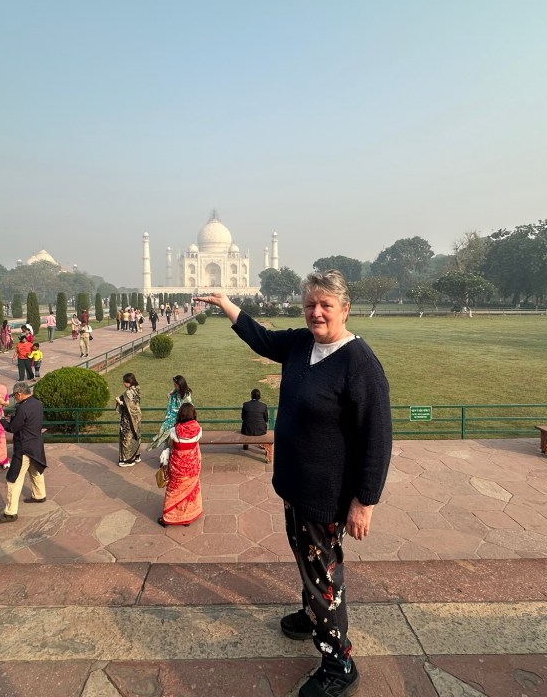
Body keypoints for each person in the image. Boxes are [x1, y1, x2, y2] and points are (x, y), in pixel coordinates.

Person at [195, 270, 392, 697]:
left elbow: (377, 438)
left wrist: (365, 502)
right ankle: (312, 616)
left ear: (345, 309)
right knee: (309, 564)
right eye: (310, 305)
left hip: (326, 495)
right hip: (296, 485)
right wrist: (226, 304)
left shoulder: (359, 363)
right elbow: (263, 339)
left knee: (324, 576)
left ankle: (339, 662)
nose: (316, 313)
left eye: (325, 305)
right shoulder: (303, 344)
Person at [0, 381, 47, 523]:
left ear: (19, 394)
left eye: (15, 396)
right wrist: (14, 418)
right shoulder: (37, 403)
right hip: (36, 444)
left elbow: (13, 428)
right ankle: (39, 495)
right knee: (35, 470)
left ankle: (10, 513)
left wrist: (1, 420)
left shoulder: (23, 408)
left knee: (14, 479)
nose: (15, 398)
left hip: (24, 448)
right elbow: (28, 421)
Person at [157, 403, 203, 527]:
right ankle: (187, 517)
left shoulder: (174, 431)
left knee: (173, 491)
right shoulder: (198, 429)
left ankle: (168, 518)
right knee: (189, 491)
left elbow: (171, 446)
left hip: (177, 467)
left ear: (180, 414)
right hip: (192, 467)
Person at [149, 375, 193, 449]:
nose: (174, 387)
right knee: (168, 439)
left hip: (180, 421)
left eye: (175, 385)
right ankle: (167, 452)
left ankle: (169, 452)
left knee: (173, 440)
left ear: (181, 385)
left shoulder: (186, 396)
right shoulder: (176, 391)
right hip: (172, 420)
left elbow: (188, 409)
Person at [115, 372, 142, 467]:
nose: (123, 383)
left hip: (128, 419)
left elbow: (128, 406)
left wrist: (119, 402)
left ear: (128, 382)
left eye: (124, 382)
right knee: (136, 436)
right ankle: (136, 455)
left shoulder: (128, 392)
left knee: (126, 437)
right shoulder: (137, 388)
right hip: (137, 417)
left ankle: (128, 460)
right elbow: (135, 404)